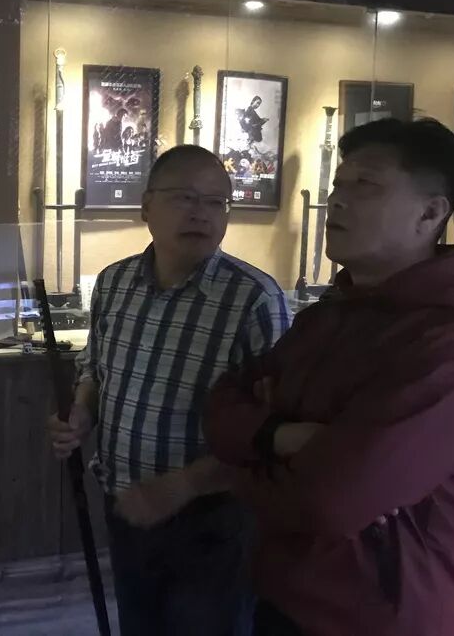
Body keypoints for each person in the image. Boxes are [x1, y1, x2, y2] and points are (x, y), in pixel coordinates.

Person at [204, 118, 454, 636]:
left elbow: (330, 502)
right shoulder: (328, 315)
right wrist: (282, 437)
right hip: (285, 594)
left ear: (430, 213)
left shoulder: (450, 348)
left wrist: (243, 464)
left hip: (384, 614)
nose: (337, 201)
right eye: (337, 186)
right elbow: (221, 406)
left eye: (365, 185)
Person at [48, 144, 291, 636]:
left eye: (216, 202)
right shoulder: (115, 283)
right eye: (185, 197)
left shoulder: (254, 299)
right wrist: (81, 414)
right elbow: (96, 367)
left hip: (214, 518)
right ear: (146, 207)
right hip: (126, 505)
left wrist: (183, 486)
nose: (201, 213)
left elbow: (273, 430)